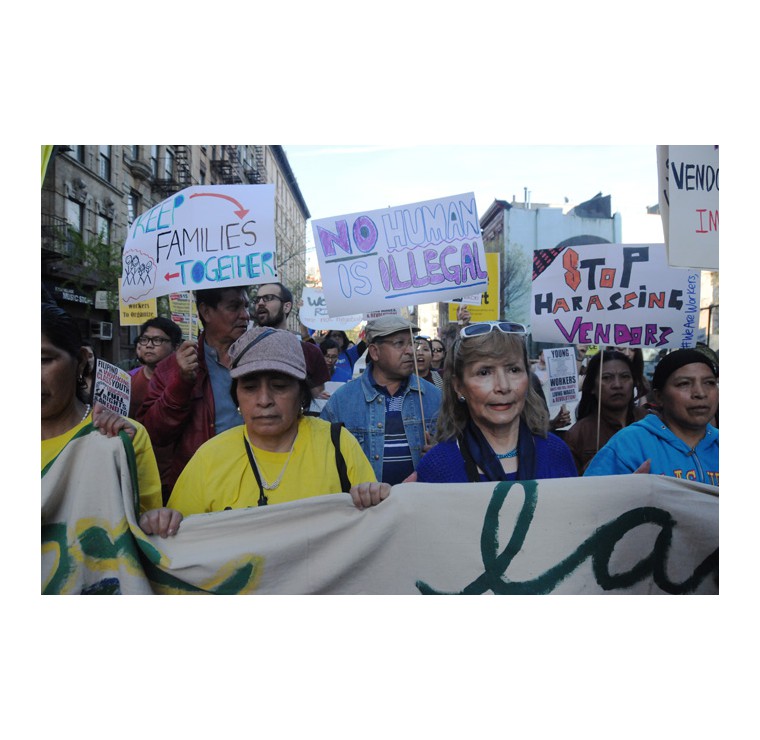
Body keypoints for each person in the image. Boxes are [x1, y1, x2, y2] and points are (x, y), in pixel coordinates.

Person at [157, 326, 388, 528]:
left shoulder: (337, 444)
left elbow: (373, 526)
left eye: (279, 386)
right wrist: (163, 522)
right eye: (250, 388)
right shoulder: (210, 457)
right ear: (236, 396)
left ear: (301, 395)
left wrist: (372, 499)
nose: (264, 400)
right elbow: (182, 535)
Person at [41, 302, 164, 521]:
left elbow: (145, 531)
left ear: (80, 361)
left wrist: (161, 520)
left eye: (43, 360)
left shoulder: (123, 438)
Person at [415, 321, 577, 483]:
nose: (503, 386)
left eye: (514, 370)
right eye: (484, 372)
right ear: (459, 386)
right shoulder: (437, 466)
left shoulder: (556, 453)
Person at [137, 286, 251, 492]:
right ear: (206, 312)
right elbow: (154, 433)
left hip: (256, 480)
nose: (245, 315)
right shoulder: (172, 367)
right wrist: (181, 383)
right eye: (234, 306)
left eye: (246, 306)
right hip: (201, 485)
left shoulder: (260, 359)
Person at [320, 315, 441, 485]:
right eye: (399, 343)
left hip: (420, 505)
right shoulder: (342, 401)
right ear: (375, 352)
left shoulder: (434, 397)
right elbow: (323, 461)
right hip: (365, 509)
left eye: (412, 343)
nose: (410, 351)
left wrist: (442, 454)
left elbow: (458, 455)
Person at [584, 348, 718, 485]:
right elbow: (589, 501)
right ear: (659, 396)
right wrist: (623, 497)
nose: (700, 393)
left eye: (709, 383)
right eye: (684, 384)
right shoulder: (628, 445)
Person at [563, 349, 649, 474]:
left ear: (634, 382)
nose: (617, 385)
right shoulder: (578, 435)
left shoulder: (650, 423)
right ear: (592, 387)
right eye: (607, 378)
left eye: (625, 377)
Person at [252, 282, 330, 399]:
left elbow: (316, 395)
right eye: (257, 300)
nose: (261, 303)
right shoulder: (243, 348)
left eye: (268, 298)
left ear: (286, 307)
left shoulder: (310, 352)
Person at [129, 317, 182, 418]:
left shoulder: (183, 381)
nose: (149, 345)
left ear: (175, 347)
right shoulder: (128, 380)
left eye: (157, 340)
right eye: (144, 339)